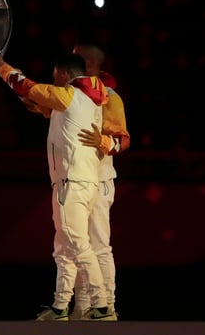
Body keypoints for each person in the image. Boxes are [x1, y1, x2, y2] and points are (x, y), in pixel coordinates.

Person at [0, 51, 114, 321]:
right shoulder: (91, 100)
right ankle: (61, 307)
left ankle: (102, 306)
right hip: (81, 182)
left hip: (72, 183)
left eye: (55, 75)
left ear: (64, 75)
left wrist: (0, 67)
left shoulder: (67, 95)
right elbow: (36, 100)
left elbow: (24, 84)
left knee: (78, 244)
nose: (53, 79)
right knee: (65, 247)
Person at [71, 43, 131, 321]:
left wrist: (106, 142)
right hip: (79, 179)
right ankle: (82, 308)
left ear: (92, 66)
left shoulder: (111, 97)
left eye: (78, 61)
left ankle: (108, 306)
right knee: (79, 247)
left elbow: (124, 139)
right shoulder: (74, 94)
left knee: (98, 245)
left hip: (100, 178)